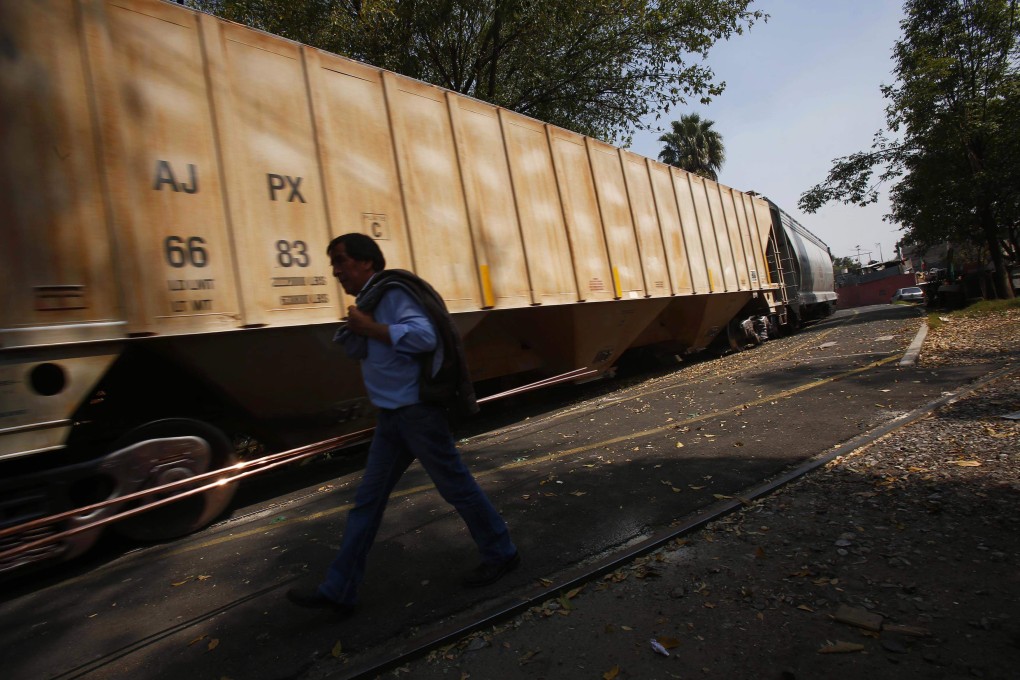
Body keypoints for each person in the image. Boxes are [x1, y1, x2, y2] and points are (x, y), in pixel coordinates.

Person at [287, 233, 519, 616]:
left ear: (366, 262)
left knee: (456, 487)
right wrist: (359, 332)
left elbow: (423, 337)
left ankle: (502, 552)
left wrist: (369, 329)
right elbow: (373, 347)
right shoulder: (370, 300)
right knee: (367, 503)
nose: (336, 271)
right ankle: (339, 588)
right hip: (393, 417)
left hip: (416, 414)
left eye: (341, 262)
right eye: (334, 264)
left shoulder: (392, 293)